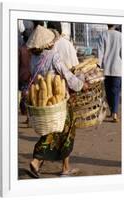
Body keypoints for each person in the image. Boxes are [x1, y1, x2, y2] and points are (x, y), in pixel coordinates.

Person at [26, 25, 88, 178]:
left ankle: (58, 166)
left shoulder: (34, 58)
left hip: (44, 100)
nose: (53, 42)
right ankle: (38, 161)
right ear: (47, 43)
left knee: (54, 130)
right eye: (51, 41)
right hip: (58, 100)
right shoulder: (53, 55)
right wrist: (81, 84)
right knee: (64, 131)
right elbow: (67, 75)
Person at [97, 24, 122, 122]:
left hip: (106, 69)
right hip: (118, 68)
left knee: (108, 92)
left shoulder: (103, 35)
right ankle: (114, 113)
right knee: (115, 91)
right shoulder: (121, 36)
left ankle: (112, 111)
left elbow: (100, 52)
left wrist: (98, 65)